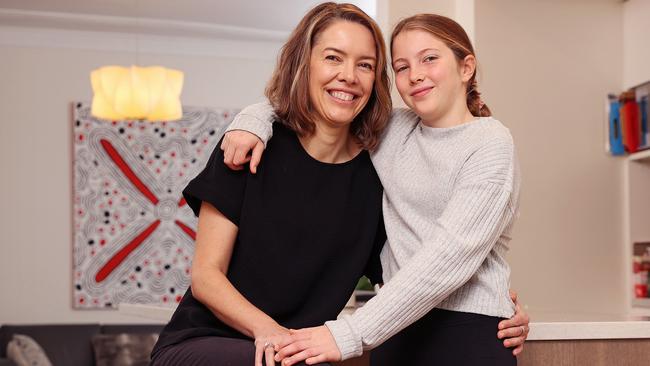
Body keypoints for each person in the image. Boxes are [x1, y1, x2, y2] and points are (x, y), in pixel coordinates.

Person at [221, 11, 527, 366]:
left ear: (466, 67)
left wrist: (347, 333)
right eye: (401, 66)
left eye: (429, 58)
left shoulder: (491, 143)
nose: (415, 75)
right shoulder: (390, 130)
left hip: (466, 332)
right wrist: (251, 121)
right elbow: (314, 105)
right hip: (395, 331)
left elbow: (448, 258)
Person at [149, 3, 391, 366]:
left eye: (365, 65)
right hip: (202, 342)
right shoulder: (248, 148)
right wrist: (270, 332)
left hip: (291, 353)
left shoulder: (376, 180)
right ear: (304, 65)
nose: (349, 76)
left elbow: (401, 282)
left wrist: (491, 308)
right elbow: (205, 277)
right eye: (333, 58)